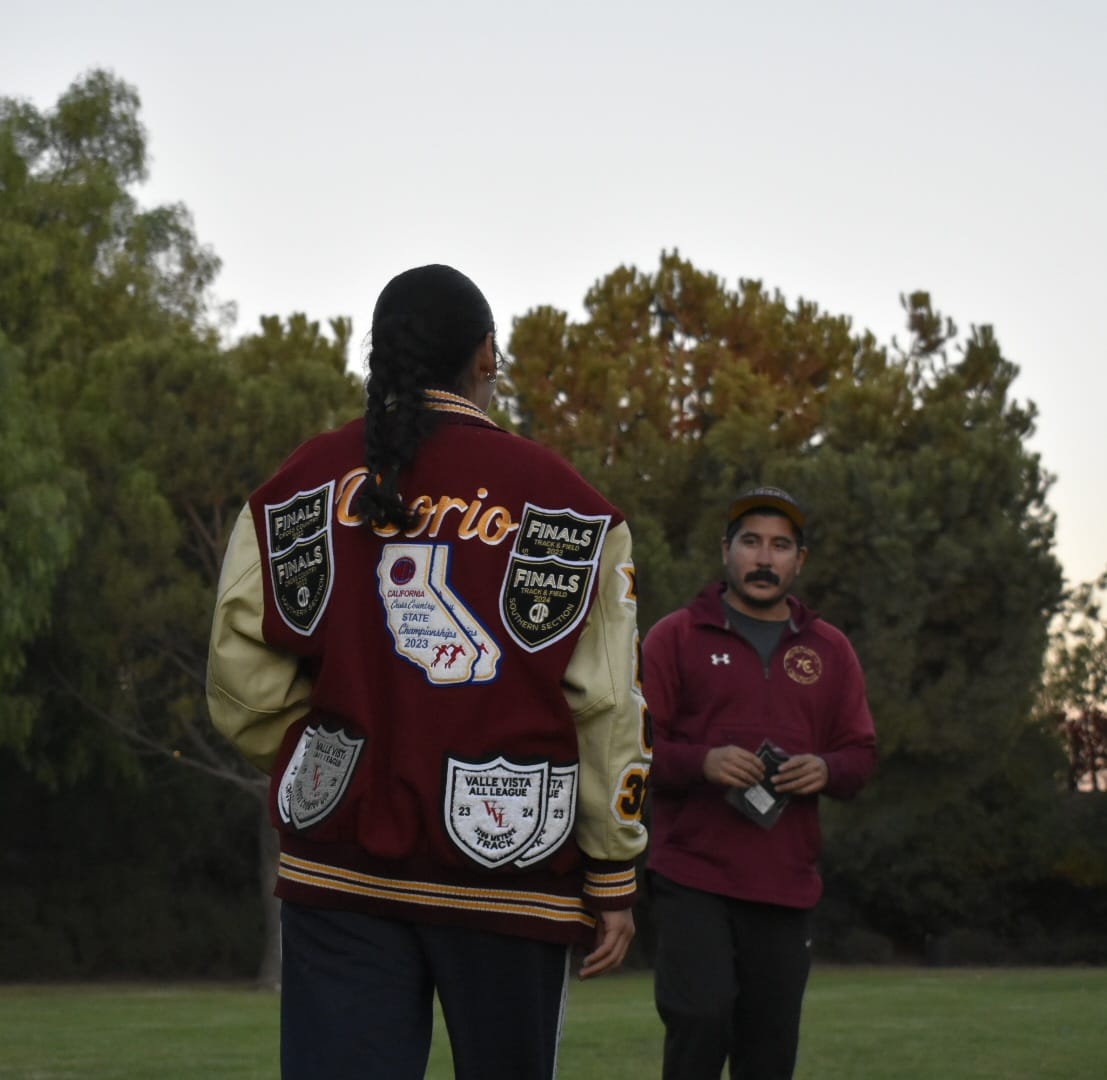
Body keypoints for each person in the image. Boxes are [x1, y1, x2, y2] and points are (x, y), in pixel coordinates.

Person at [206, 264, 650, 1080]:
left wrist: (329, 759)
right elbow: (604, 707)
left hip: (337, 864)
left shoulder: (295, 488)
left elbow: (241, 679)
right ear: (486, 356)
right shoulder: (570, 506)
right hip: (508, 867)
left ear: (379, 356)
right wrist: (612, 865)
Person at [642, 485, 876, 1080]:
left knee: (768, 1055)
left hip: (785, 884)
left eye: (780, 545)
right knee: (700, 1018)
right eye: (751, 542)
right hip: (692, 874)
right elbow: (631, 752)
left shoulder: (831, 649)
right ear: (726, 551)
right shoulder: (675, 637)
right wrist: (703, 763)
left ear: (801, 560)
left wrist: (826, 769)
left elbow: (860, 755)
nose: (765, 559)